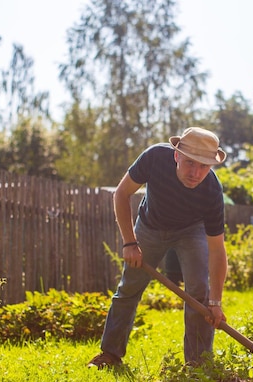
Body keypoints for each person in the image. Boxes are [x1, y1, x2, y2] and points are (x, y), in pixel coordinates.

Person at [88, 127, 228, 368]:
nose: (196, 173)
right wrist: (129, 242)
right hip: (150, 226)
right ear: (176, 155)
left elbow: (217, 250)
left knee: (199, 294)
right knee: (129, 288)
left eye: (204, 166)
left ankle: (199, 367)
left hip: (190, 231)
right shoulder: (154, 158)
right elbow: (121, 194)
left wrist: (215, 303)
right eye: (190, 163)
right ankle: (110, 355)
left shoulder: (212, 191)